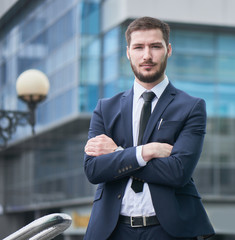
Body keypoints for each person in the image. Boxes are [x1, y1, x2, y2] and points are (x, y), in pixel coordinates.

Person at [83, 16, 215, 240]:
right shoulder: (106, 108)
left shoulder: (192, 107)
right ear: (128, 52)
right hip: (112, 231)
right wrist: (146, 152)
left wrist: (117, 154)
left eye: (155, 46)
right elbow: (94, 170)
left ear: (168, 49)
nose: (147, 56)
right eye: (138, 47)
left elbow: (177, 172)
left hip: (168, 231)